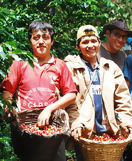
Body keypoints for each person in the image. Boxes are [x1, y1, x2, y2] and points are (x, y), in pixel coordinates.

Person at [0, 20, 77, 161]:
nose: (41, 41)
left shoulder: (60, 65)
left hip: (53, 128)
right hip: (26, 128)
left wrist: (49, 109)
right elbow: (8, 91)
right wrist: (8, 108)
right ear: (30, 41)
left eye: (45, 37)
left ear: (52, 41)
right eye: (36, 37)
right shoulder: (19, 63)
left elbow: (71, 94)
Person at [64, 25, 132, 160]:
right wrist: (75, 123)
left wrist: (126, 121)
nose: (90, 45)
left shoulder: (110, 67)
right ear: (77, 46)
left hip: (109, 131)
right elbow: (70, 102)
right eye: (85, 42)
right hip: (86, 133)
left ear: (99, 43)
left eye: (93, 41)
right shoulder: (71, 67)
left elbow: (123, 98)